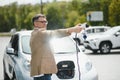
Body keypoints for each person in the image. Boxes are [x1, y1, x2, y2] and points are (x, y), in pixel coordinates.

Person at [30, 14, 83, 80]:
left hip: (43, 73)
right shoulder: (39, 33)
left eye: (46, 22)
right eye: (42, 22)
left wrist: (73, 29)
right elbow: (55, 33)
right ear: (35, 23)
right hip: (42, 74)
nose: (45, 24)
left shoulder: (37, 33)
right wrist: (72, 30)